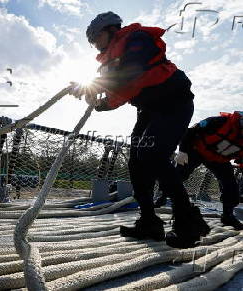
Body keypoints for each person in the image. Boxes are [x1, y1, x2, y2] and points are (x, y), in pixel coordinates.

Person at [70, 11, 210, 248]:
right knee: (136, 162)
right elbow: (124, 91)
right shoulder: (108, 61)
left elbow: (133, 72)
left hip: (175, 103)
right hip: (149, 110)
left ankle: (188, 222)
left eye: (96, 39)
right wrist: (101, 103)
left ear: (111, 30)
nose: (94, 45)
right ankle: (149, 222)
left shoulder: (137, 39)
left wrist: (93, 86)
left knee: (153, 154)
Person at [154, 112, 243, 230]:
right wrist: (183, 151)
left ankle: (228, 215)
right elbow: (190, 131)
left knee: (231, 185)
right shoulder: (219, 122)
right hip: (196, 150)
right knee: (178, 175)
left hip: (218, 159)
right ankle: (162, 196)